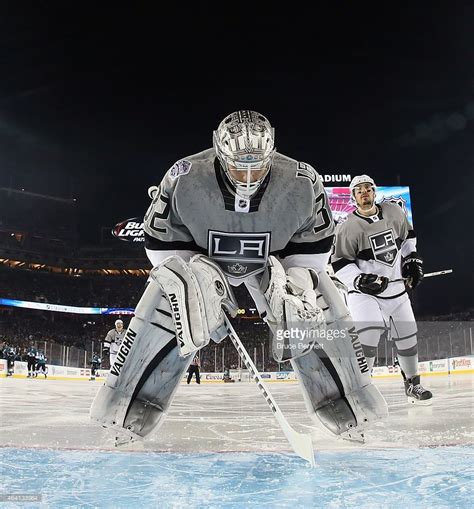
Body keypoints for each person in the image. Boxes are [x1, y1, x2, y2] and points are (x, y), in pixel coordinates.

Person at [91, 110, 388, 446]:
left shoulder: (304, 181)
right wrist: (192, 288)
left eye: (258, 165)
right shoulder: (184, 175)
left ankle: (352, 409)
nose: (248, 175)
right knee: (170, 295)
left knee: (312, 302)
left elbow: (313, 256)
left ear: (272, 152)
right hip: (203, 257)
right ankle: (124, 412)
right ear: (218, 150)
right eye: (238, 165)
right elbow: (161, 247)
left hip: (274, 260)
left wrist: (295, 289)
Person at [331, 174, 432, 405]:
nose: (364, 192)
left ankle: (412, 385)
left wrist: (412, 259)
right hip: (365, 295)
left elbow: (408, 239)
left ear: (374, 192)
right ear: (353, 197)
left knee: (407, 336)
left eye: (368, 188)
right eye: (359, 190)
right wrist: (359, 280)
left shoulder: (394, 212)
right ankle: (360, 389)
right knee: (368, 336)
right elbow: (339, 263)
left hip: (396, 291)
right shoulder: (347, 227)